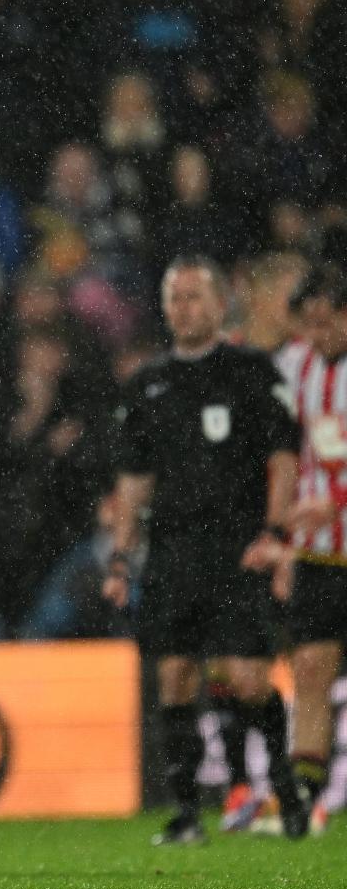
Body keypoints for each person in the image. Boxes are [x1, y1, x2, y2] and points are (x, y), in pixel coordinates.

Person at [102, 255, 308, 845]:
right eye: (173, 297)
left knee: (247, 679)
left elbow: (282, 458)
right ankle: (188, 812)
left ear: (221, 305)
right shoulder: (150, 382)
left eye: (193, 297)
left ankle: (286, 788)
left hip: (238, 548)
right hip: (173, 550)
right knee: (174, 678)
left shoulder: (250, 371)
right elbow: (134, 479)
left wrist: (275, 533)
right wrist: (121, 556)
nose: (182, 308)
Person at [249, 265, 347, 836]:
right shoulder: (293, 366)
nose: (317, 332)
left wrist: (336, 502)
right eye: (307, 322)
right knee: (309, 669)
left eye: (327, 322)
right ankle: (307, 803)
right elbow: (278, 447)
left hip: (330, 525)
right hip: (315, 552)